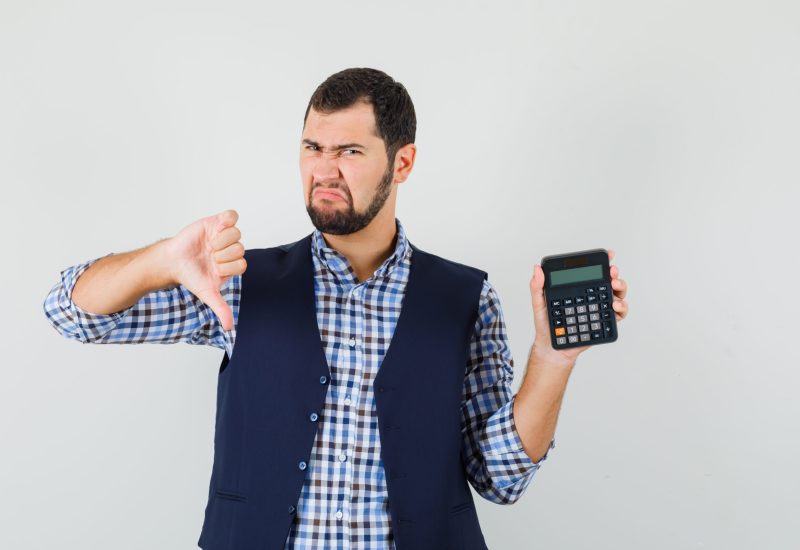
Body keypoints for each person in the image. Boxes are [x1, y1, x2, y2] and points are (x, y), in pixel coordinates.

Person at [43, 67, 629, 550]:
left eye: (350, 150)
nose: (325, 170)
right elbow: (70, 313)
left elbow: (500, 478)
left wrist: (553, 359)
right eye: (313, 148)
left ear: (402, 163)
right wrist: (159, 261)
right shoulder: (241, 283)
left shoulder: (465, 298)